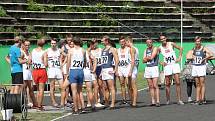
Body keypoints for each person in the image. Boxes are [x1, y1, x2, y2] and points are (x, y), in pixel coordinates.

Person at [187, 36, 213, 105]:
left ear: (200, 42)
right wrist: (192, 57)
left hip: (201, 67)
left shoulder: (204, 48)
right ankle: (197, 100)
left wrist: (205, 58)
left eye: (199, 41)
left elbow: (212, 54)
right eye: (196, 41)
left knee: (202, 83)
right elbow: (189, 56)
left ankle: (202, 99)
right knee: (197, 84)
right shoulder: (194, 48)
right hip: (195, 66)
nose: (197, 42)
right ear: (195, 42)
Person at [158, 35, 184, 105]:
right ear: (160, 40)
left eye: (164, 38)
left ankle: (179, 100)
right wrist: (161, 62)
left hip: (174, 65)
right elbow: (155, 56)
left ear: (166, 38)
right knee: (167, 83)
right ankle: (168, 100)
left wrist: (179, 57)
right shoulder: (159, 48)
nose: (163, 40)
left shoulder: (171, 44)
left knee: (178, 82)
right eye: (161, 39)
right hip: (167, 66)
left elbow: (181, 48)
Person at [66, 37, 86, 115]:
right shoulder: (83, 50)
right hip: (80, 71)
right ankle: (82, 107)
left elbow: (68, 62)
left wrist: (67, 72)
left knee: (74, 91)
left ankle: (76, 108)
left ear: (74, 42)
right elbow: (85, 62)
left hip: (73, 71)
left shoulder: (70, 50)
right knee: (80, 91)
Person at [44, 38, 64, 107]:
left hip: (58, 69)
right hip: (51, 69)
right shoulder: (47, 50)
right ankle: (54, 102)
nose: (53, 45)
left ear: (56, 44)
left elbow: (66, 56)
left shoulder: (59, 50)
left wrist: (62, 64)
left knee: (62, 87)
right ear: (50, 43)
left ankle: (62, 102)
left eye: (54, 43)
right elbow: (42, 56)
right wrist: (45, 62)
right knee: (52, 87)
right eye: (52, 43)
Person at [101, 35, 119, 109]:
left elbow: (117, 59)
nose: (101, 41)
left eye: (103, 40)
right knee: (105, 87)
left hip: (109, 69)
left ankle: (112, 104)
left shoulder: (112, 49)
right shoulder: (103, 49)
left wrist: (115, 69)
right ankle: (106, 103)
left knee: (111, 87)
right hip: (104, 69)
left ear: (107, 41)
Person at [30, 38, 48, 111]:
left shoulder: (33, 51)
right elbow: (46, 64)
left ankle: (37, 104)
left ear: (37, 44)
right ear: (43, 45)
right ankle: (39, 106)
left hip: (35, 71)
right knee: (41, 89)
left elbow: (29, 61)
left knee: (37, 89)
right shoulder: (44, 52)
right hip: (41, 70)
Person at [143, 39, 160, 107]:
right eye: (147, 42)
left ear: (152, 43)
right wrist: (147, 58)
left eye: (150, 42)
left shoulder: (155, 48)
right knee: (150, 86)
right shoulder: (145, 50)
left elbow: (152, 57)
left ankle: (158, 101)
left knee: (155, 85)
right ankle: (153, 101)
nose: (149, 43)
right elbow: (143, 60)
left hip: (154, 68)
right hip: (148, 68)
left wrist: (147, 58)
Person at [117, 36, 134, 104]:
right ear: (119, 42)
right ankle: (124, 99)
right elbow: (116, 60)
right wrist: (116, 70)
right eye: (121, 42)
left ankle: (131, 99)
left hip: (127, 68)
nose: (122, 43)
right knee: (122, 84)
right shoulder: (117, 50)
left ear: (125, 42)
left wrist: (130, 70)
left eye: (123, 42)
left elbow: (132, 59)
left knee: (128, 84)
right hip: (120, 68)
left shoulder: (129, 49)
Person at [21, 40, 37, 107]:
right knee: (23, 88)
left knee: (31, 88)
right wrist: (26, 61)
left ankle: (34, 103)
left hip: (29, 72)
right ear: (23, 45)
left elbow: (30, 61)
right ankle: (21, 102)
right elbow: (19, 61)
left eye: (28, 45)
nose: (27, 46)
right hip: (24, 72)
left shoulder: (29, 52)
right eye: (26, 45)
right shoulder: (21, 52)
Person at [90, 39, 105, 107]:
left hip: (100, 67)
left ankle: (102, 98)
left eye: (95, 43)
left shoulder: (100, 50)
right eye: (93, 43)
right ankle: (95, 99)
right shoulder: (90, 51)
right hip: (93, 68)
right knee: (94, 85)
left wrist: (103, 69)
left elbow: (103, 59)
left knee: (100, 85)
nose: (94, 44)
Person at [83, 41, 97, 111]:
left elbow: (94, 60)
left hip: (81, 71)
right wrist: (93, 69)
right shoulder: (87, 52)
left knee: (78, 90)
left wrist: (93, 69)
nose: (94, 46)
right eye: (93, 45)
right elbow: (95, 60)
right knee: (89, 89)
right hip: (87, 71)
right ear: (91, 45)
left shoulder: (84, 52)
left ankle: (82, 106)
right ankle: (92, 105)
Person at [126, 36, 138, 107]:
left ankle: (134, 102)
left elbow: (133, 60)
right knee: (129, 85)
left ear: (128, 41)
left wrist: (130, 71)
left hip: (132, 68)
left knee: (133, 86)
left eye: (126, 42)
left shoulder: (132, 49)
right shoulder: (135, 48)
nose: (125, 43)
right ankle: (132, 100)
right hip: (132, 68)